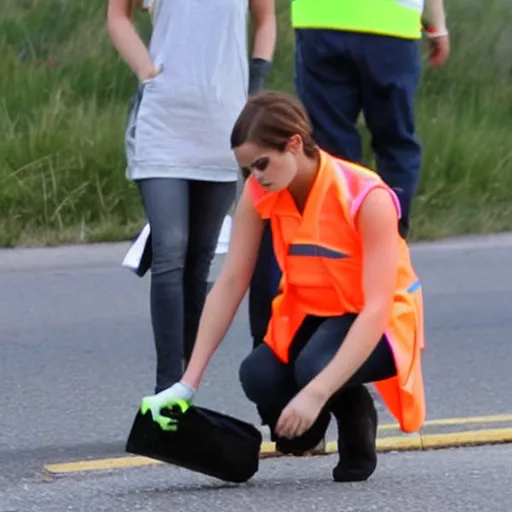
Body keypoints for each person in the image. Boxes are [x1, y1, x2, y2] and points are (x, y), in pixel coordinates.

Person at [140, 91, 426, 482]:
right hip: (316, 316)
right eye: (247, 170)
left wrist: (317, 391)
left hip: (380, 323)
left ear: (294, 143)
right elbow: (231, 282)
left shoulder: (366, 196)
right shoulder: (263, 191)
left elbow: (377, 308)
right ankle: (336, 395)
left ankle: (353, 409)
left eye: (261, 164)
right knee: (259, 378)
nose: (255, 178)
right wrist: (186, 385)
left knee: (314, 369)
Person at [106, 0, 276, 393]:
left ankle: (186, 386)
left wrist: (256, 84)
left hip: (224, 125)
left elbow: (265, 20)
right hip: (163, 123)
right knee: (171, 248)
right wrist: (146, 69)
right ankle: (166, 386)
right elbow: (118, 15)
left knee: (199, 258)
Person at [292, 0, 450, 240]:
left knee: (330, 141)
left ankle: (337, 240)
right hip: (392, 26)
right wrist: (438, 25)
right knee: (394, 140)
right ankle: (389, 239)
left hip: (321, 18)